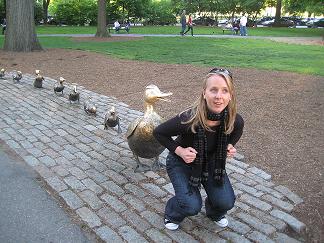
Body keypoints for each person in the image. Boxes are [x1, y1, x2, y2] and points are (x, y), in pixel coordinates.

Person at [153, 68, 244, 231]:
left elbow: (236, 133)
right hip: (181, 163)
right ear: (204, 93)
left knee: (226, 202)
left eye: (225, 91)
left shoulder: (234, 120)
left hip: (212, 163)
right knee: (191, 206)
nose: (218, 96)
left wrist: (230, 146)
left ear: (230, 95)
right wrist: (179, 150)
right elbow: (159, 132)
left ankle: (214, 212)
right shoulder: (189, 119)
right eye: (213, 90)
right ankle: (173, 212)